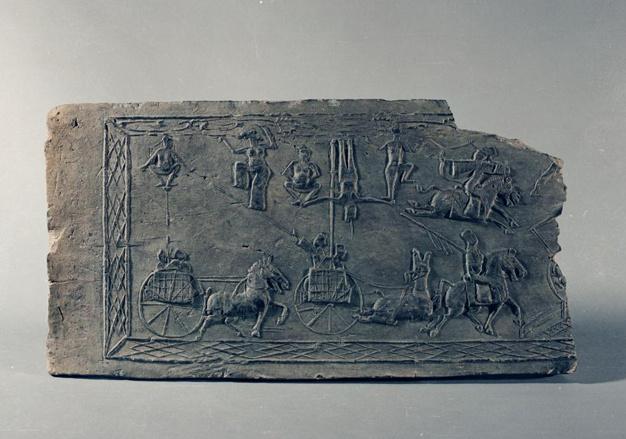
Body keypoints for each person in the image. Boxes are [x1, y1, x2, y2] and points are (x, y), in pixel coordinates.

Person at [221, 128, 277, 210]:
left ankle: (258, 206)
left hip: (262, 169)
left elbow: (273, 145)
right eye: (249, 137)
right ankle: (241, 183)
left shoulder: (262, 147)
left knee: (256, 186)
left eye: (252, 137)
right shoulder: (247, 149)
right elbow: (234, 151)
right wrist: (224, 140)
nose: (251, 139)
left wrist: (266, 130)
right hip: (252, 168)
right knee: (238, 165)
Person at [379, 125, 415, 201]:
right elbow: (379, 149)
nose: (396, 136)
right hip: (389, 165)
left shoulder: (401, 144)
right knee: (389, 183)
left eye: (397, 135)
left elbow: (410, 151)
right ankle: (389, 196)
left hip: (397, 166)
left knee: (395, 184)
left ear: (399, 135)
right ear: (393, 134)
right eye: (395, 134)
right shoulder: (389, 143)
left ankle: (404, 179)